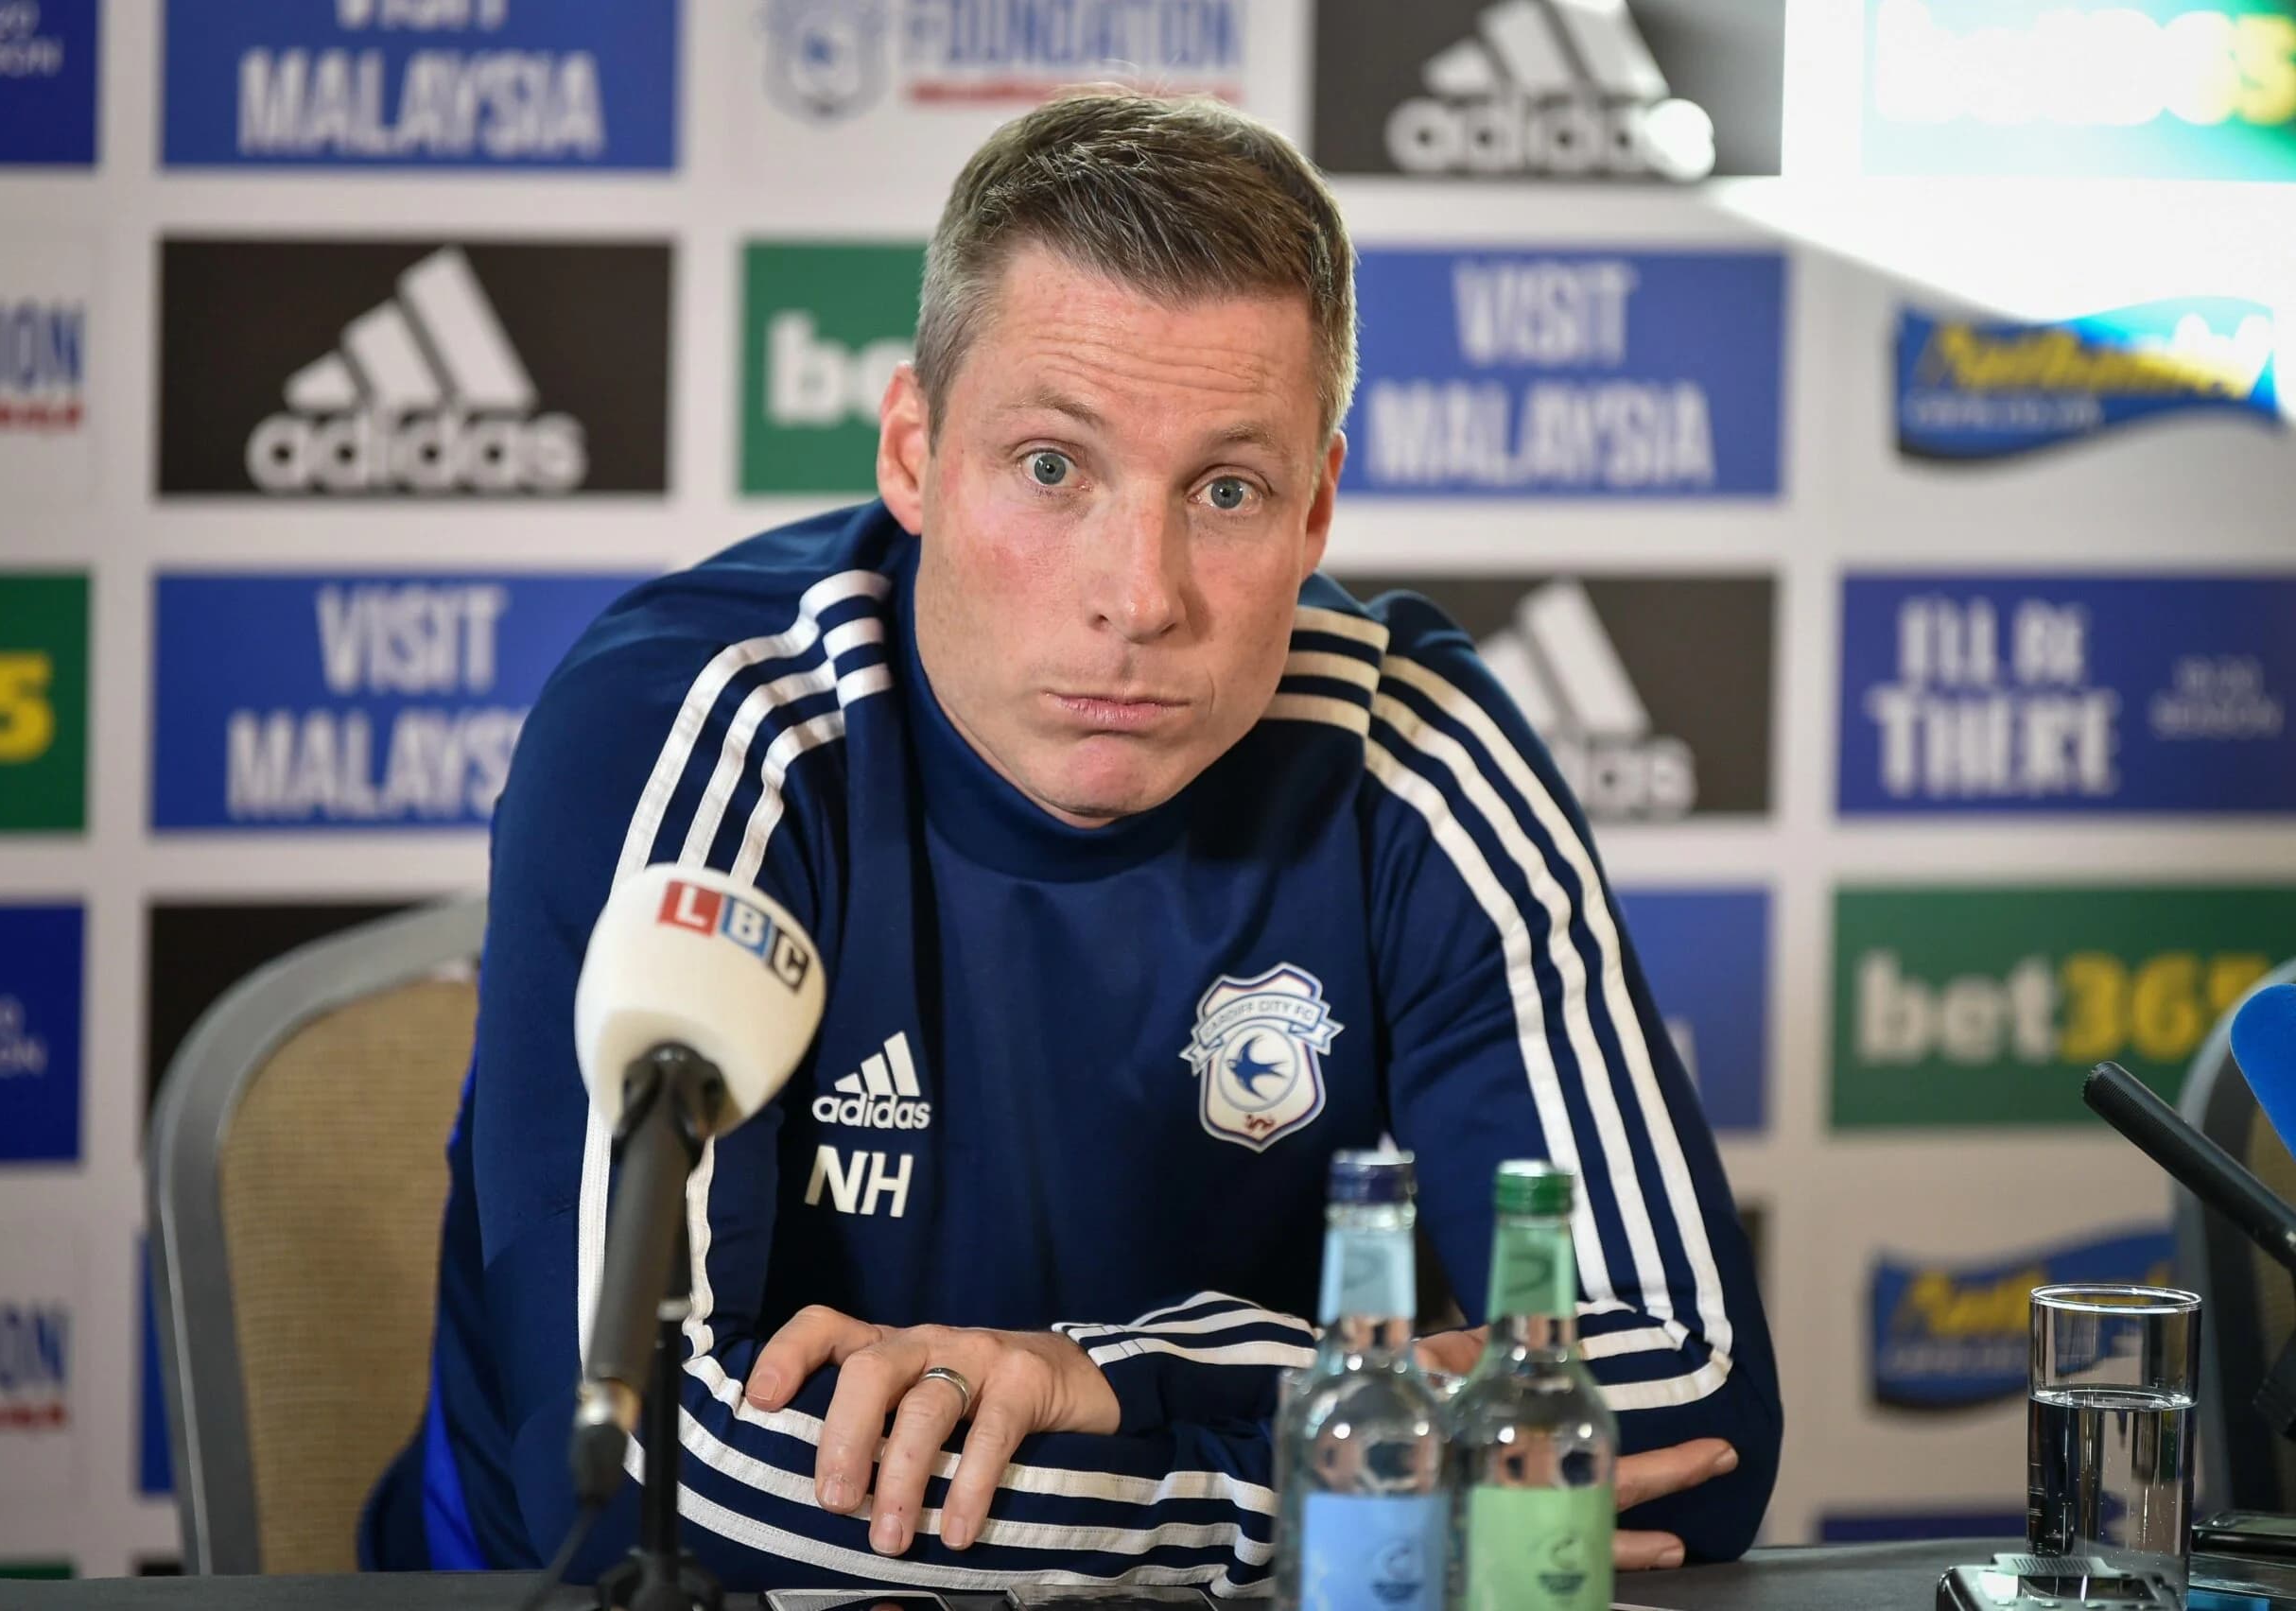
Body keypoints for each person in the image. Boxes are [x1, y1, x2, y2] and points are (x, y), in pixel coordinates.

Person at [361, 88, 1780, 1593]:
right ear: (913, 454)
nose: (1141, 594)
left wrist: (1101, 1378)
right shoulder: (700, 724)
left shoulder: (1412, 751)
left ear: (1318, 515)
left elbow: (1692, 1398)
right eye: (1053, 467)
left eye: (1227, 491)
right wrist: (1298, 1518)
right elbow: (629, 1474)